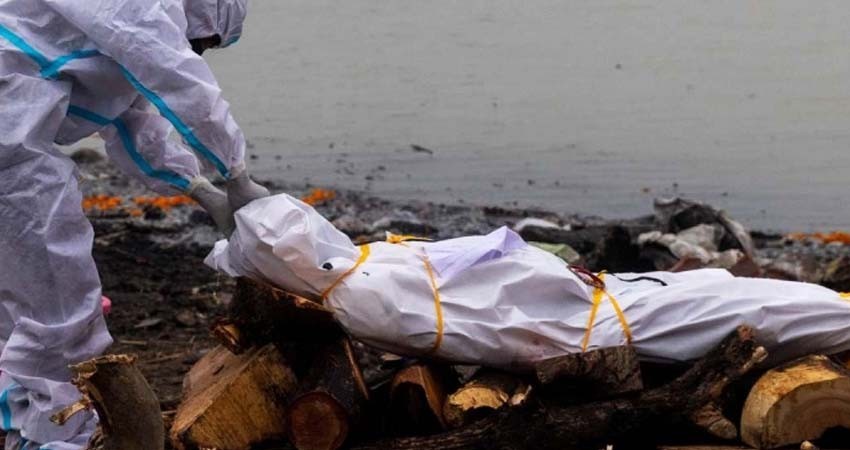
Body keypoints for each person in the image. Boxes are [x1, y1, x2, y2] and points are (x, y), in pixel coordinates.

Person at [0, 0, 268, 448]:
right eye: (203, 42)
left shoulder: (108, 29)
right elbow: (177, 78)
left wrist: (200, 188)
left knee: (16, 303)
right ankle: (68, 434)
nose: (198, 51)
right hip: (9, 143)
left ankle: (22, 425)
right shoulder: (143, 8)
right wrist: (234, 170)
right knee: (59, 303)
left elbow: (133, 121)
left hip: (12, 136)